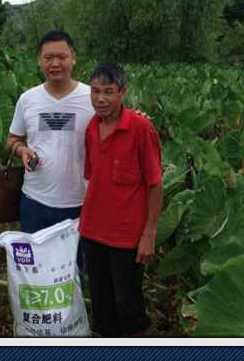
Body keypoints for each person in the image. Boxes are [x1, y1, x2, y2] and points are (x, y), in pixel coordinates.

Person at [79, 61, 163, 337]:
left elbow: (155, 185)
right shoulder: (92, 127)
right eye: (95, 91)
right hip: (92, 231)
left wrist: (149, 233)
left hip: (127, 237)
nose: (100, 99)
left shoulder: (141, 128)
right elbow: (93, 178)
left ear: (123, 92)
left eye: (108, 92)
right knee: (101, 303)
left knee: (128, 304)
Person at [6, 30, 94, 234]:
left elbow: (119, 125)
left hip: (81, 202)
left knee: (76, 265)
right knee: (37, 265)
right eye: (48, 58)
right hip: (35, 200)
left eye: (62, 57)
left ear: (73, 59)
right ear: (39, 61)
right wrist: (21, 150)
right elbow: (12, 139)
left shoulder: (91, 98)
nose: (55, 64)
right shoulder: (28, 99)